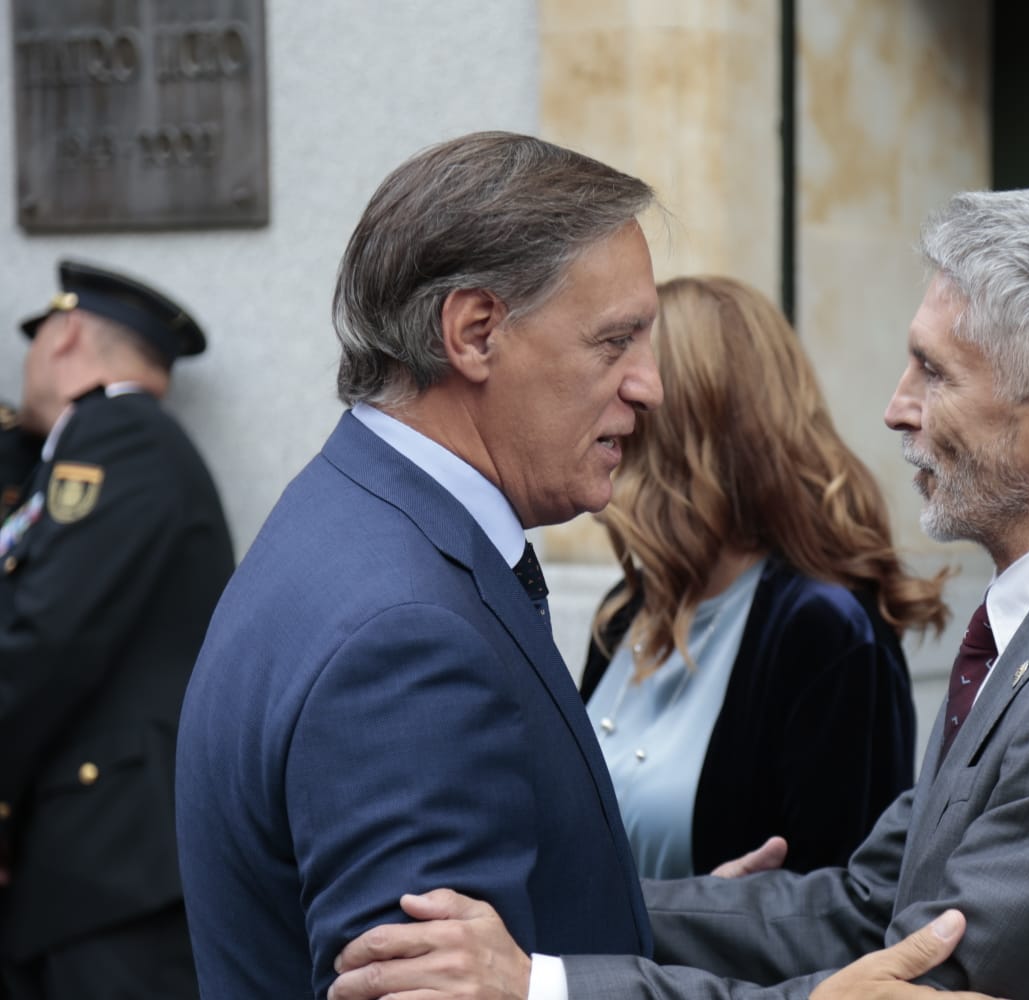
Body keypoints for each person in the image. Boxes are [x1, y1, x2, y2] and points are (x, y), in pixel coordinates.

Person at [329, 183, 1029, 1000]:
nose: (895, 407)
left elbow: (918, 983)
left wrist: (540, 985)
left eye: (933, 372)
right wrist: (553, 911)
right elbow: (868, 904)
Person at [174, 131, 670, 999]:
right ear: (475, 333)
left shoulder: (348, 514)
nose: (648, 384)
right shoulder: (409, 636)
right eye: (614, 341)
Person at [581, 274, 947, 878]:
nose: (617, 397)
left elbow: (847, 901)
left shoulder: (824, 628)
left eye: (632, 367)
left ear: (686, 416)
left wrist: (700, 915)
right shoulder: (628, 608)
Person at [0, 260, 234, 1000]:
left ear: (66, 335)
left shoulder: (118, 436)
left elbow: (44, 637)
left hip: (112, 868)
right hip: (95, 867)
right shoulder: (110, 444)